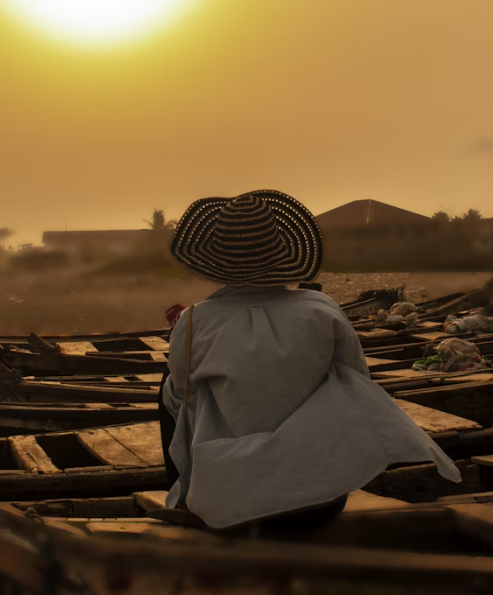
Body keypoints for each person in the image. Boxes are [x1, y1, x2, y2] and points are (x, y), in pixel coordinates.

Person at [161, 190, 461, 533]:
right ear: (280, 254)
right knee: (344, 381)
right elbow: (359, 383)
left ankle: (186, 495)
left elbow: (182, 399)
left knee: (170, 389)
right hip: (321, 501)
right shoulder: (322, 309)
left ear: (217, 260)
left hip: (229, 506)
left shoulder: (194, 321)